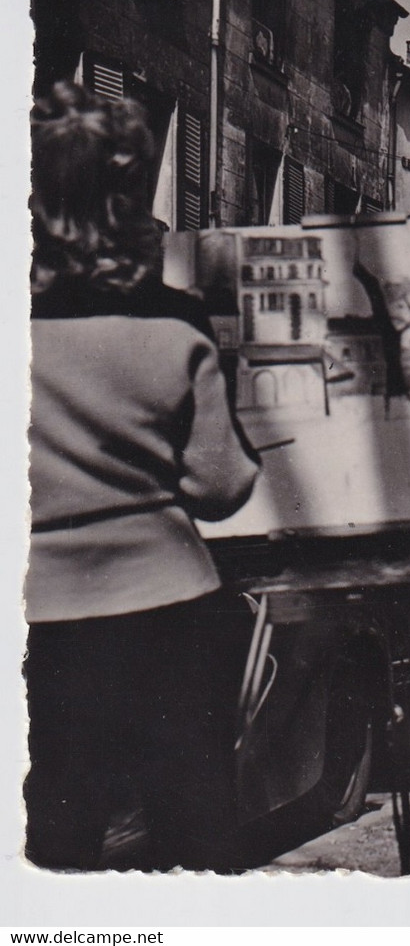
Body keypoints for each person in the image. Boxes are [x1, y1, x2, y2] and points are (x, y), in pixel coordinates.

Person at [25, 82, 261, 870]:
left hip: (38, 619)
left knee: (53, 840)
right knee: (195, 835)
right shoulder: (175, 321)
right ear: (131, 193)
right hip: (170, 610)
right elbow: (221, 488)